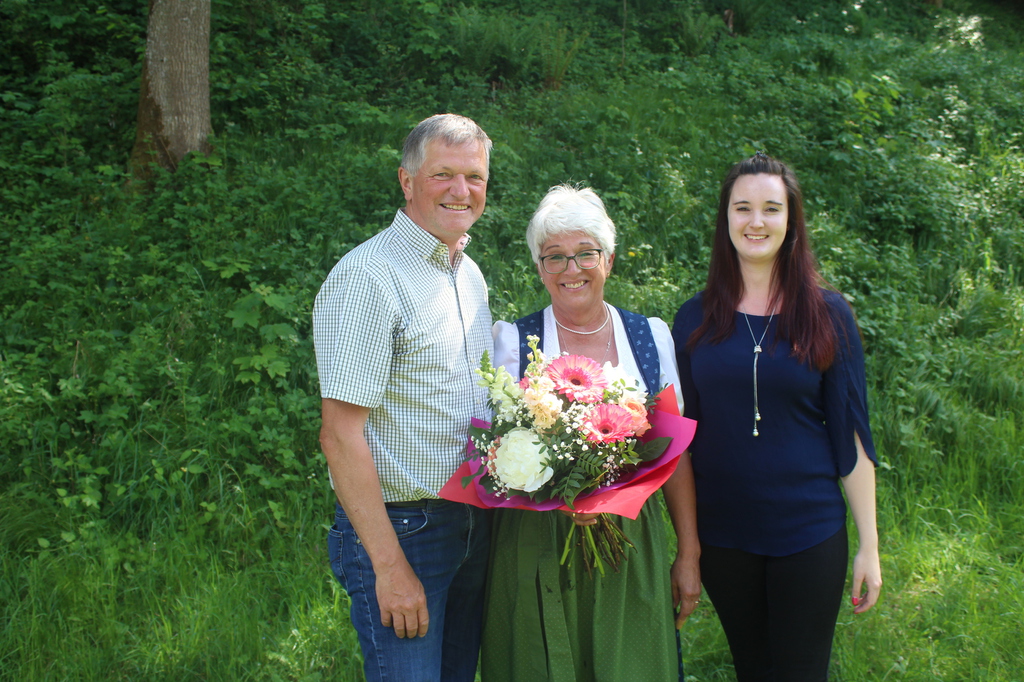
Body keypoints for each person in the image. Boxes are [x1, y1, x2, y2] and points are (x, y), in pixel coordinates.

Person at [672, 152, 882, 681]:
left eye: (771, 208)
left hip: (809, 531)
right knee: (753, 669)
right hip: (724, 536)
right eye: (743, 208)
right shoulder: (694, 318)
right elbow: (682, 444)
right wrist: (689, 548)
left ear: (791, 220)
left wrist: (870, 547)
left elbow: (851, 436)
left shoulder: (828, 314)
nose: (756, 221)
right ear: (726, 219)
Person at [480, 184, 701, 682]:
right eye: (554, 256)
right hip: (536, 544)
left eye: (585, 253)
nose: (571, 268)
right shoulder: (512, 342)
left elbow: (675, 455)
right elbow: (492, 456)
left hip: (630, 541)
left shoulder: (649, 338)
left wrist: (689, 552)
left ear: (609, 260)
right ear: (540, 268)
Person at [312, 114, 494, 682]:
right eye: (443, 174)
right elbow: (339, 435)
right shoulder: (370, 278)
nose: (461, 190)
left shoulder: (467, 273)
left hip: (473, 520)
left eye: (475, 177)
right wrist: (389, 566)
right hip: (405, 531)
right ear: (407, 180)